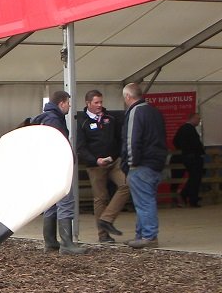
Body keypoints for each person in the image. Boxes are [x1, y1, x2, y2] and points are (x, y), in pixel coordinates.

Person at [34, 90, 87, 254]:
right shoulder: (54, 120)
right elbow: (57, 144)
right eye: (68, 103)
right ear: (61, 103)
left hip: (47, 167)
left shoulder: (44, 118)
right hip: (58, 167)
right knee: (65, 202)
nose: (70, 106)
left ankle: (50, 242)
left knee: (51, 204)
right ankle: (66, 244)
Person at [75, 89, 130, 242]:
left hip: (113, 161)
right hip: (95, 165)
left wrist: (116, 155)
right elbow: (80, 147)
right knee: (101, 198)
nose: (100, 105)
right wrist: (95, 160)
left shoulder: (110, 118)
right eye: (96, 103)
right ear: (88, 103)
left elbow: (119, 138)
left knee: (126, 185)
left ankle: (106, 219)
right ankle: (103, 234)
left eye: (101, 102)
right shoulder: (82, 121)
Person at [120, 82, 167, 248]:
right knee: (145, 200)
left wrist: (130, 163)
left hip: (141, 164)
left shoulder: (135, 112)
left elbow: (132, 140)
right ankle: (141, 234)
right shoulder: (154, 112)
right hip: (156, 163)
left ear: (128, 96)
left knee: (144, 202)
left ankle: (149, 236)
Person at [172, 111, 205, 207]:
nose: (199, 121)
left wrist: (182, 149)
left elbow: (175, 141)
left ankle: (187, 194)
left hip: (187, 156)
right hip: (193, 157)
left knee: (193, 177)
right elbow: (196, 144)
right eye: (198, 119)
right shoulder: (189, 129)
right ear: (193, 118)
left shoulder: (183, 128)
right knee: (195, 178)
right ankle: (191, 198)